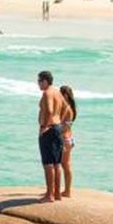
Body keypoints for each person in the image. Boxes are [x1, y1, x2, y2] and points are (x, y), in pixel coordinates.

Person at [37, 70, 65, 203]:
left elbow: (48, 110)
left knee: (48, 164)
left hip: (49, 130)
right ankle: (57, 193)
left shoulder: (47, 93)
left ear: (45, 81)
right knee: (56, 163)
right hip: (58, 128)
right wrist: (59, 120)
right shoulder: (57, 92)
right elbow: (66, 107)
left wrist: (44, 127)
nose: (38, 84)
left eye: (39, 81)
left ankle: (49, 195)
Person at [59, 85, 77, 198]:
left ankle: (67, 191)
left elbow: (64, 127)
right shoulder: (68, 107)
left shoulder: (67, 109)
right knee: (64, 165)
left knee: (65, 165)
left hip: (65, 139)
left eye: (60, 93)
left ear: (65, 95)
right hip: (68, 138)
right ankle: (66, 190)